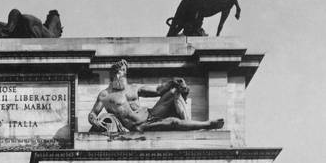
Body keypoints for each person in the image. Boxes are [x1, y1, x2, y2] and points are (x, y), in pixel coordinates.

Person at [88, 58, 224, 134]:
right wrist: (95, 121)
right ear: (112, 75)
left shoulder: (134, 88)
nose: (122, 75)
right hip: (140, 125)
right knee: (173, 122)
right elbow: (93, 113)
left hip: (150, 113)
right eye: (119, 72)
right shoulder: (105, 95)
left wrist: (172, 82)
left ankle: (188, 124)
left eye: (124, 72)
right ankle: (208, 124)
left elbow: (158, 91)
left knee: (173, 92)